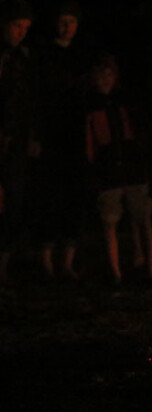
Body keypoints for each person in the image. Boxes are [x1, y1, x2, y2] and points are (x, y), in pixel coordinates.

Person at [86, 54, 152, 286]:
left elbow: (140, 131)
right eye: (100, 75)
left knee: (143, 217)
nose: (105, 79)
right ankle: (115, 273)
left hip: (132, 164)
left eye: (109, 74)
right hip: (108, 168)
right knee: (110, 221)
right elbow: (89, 141)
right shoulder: (90, 105)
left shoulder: (127, 102)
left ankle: (150, 268)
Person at [33, 0, 88, 280]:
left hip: (76, 139)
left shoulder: (81, 56)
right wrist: (36, 135)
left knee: (73, 199)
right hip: (51, 138)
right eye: (63, 21)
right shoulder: (42, 55)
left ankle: (66, 263)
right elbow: (36, 99)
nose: (68, 28)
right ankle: (46, 263)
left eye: (72, 22)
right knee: (49, 198)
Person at [0, 0, 38, 285]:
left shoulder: (24, 58)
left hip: (15, 141)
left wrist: (28, 135)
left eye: (25, 28)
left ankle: (4, 264)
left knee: (13, 200)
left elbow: (27, 102)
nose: (20, 32)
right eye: (17, 26)